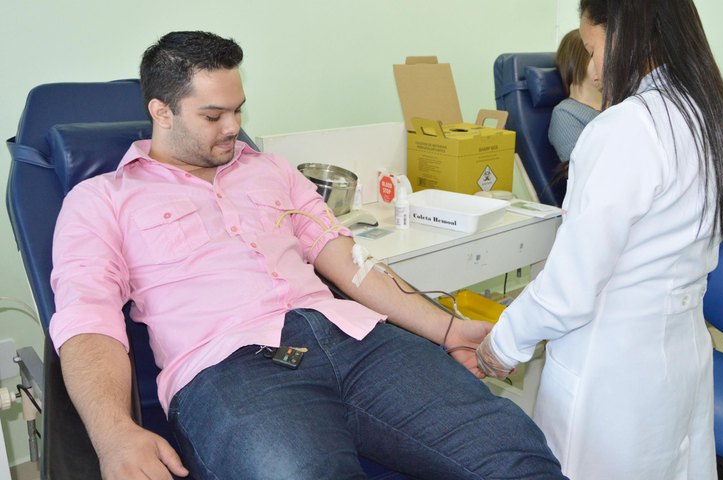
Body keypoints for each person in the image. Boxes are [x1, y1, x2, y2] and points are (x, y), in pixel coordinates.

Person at [49, 31, 567, 480]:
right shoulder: (101, 200)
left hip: (356, 339)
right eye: (213, 115)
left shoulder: (272, 170)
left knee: (510, 447)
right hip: (229, 367)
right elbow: (87, 319)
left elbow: (349, 260)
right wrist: (114, 434)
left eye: (237, 110)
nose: (233, 127)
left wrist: (450, 330)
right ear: (160, 111)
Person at [476, 1, 723, 479]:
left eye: (592, 47)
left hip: (611, 375)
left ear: (628, 33)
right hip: (681, 355)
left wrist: (497, 347)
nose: (592, 67)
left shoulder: (625, 129)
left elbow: (569, 291)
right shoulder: (708, 116)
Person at [548, 28, 602, 163]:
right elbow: (586, 170)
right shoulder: (565, 114)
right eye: (596, 54)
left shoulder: (620, 103)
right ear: (576, 61)